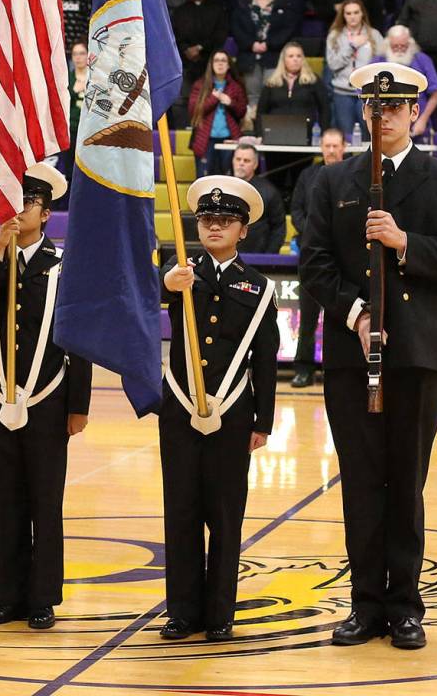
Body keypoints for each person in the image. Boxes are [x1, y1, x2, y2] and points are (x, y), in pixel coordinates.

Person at [299, 63, 437, 650]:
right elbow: (315, 264)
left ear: (414, 112)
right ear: (364, 113)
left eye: (395, 107)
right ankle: (365, 604)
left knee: (406, 482)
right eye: (374, 108)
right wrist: (355, 314)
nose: (384, 117)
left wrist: (405, 243)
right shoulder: (334, 182)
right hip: (353, 359)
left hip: (417, 357)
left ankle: (406, 607)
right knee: (361, 482)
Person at [0, 164, 92, 629]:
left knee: (43, 499)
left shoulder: (65, 268)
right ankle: (6, 595)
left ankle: (41, 598)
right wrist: (0, 250)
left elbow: (78, 340)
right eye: (13, 202)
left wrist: (79, 406)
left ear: (46, 211)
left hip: (48, 398)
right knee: (1, 498)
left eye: (29, 203)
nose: (19, 211)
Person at [158, 175, 279, 642]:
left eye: (224, 221)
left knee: (226, 516)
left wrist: (262, 421)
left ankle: (220, 613)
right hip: (181, 413)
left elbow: (265, 358)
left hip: (232, 416)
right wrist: (166, 283)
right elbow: (148, 296)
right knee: (181, 512)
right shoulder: (182, 273)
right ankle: (182, 611)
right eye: (207, 220)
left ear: (242, 229)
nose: (214, 228)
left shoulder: (258, 288)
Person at [289, 127, 346, 387]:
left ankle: (340, 367)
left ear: (344, 147)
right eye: (327, 146)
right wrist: (314, 233)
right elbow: (297, 210)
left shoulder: (351, 174)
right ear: (321, 147)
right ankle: (304, 367)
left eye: (336, 146)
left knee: (343, 314)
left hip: (342, 254)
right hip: (312, 253)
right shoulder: (307, 175)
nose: (331, 150)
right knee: (308, 316)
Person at [230, 0, 300, 111]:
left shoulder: (283, 4)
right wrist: (251, 44)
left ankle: (270, 129)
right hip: (249, 58)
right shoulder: (242, 5)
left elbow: (288, 30)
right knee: (253, 96)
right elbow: (236, 29)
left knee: (273, 96)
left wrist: (269, 44)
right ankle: (255, 129)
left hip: (274, 58)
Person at [326, 0, 383, 141]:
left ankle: (368, 164)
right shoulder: (335, 35)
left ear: (362, 13)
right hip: (342, 92)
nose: (352, 16)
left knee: (368, 136)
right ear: (343, 15)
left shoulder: (374, 35)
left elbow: (382, 64)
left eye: (356, 12)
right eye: (348, 13)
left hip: (367, 93)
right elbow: (333, 64)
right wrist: (351, 46)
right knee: (346, 137)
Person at [188, 51, 248, 176]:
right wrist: (215, 99)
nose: (220, 63)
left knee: (228, 179)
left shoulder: (236, 86)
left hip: (229, 139)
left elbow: (242, 112)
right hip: (205, 139)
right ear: (211, 65)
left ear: (229, 65)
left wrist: (230, 102)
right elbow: (193, 110)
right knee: (204, 179)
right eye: (216, 60)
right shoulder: (200, 85)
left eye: (223, 60)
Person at [377, 26, 437, 138]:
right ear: (388, 45)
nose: (399, 49)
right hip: (386, 123)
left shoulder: (422, 60)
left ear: (410, 44)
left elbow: (435, 93)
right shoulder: (378, 62)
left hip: (417, 122)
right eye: (395, 46)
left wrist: (423, 119)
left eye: (403, 46)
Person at [171, 0, 228, 91]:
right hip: (184, 64)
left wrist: (200, 48)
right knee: (182, 102)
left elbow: (220, 34)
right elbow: (173, 35)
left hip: (208, 64)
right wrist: (186, 49)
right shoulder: (180, 11)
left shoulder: (217, 9)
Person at [257, 42, 330, 131]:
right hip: (275, 130)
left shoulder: (313, 80)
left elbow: (325, 109)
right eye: (291, 56)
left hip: (306, 131)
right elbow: (261, 111)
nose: (295, 59)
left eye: (299, 56)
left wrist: (323, 133)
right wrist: (260, 133)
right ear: (283, 60)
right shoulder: (272, 82)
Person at [232, 141, 286, 255]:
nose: (241, 163)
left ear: (255, 165)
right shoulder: (223, 187)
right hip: (226, 256)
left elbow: (279, 227)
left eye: (246, 161)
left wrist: (268, 257)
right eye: (238, 159)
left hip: (258, 257)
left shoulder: (269, 191)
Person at [64, 40, 89, 180]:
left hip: (90, 130)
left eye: (82, 53)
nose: (78, 57)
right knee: (70, 168)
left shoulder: (95, 79)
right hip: (72, 130)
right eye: (75, 54)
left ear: (88, 55)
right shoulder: (67, 79)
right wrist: (73, 91)